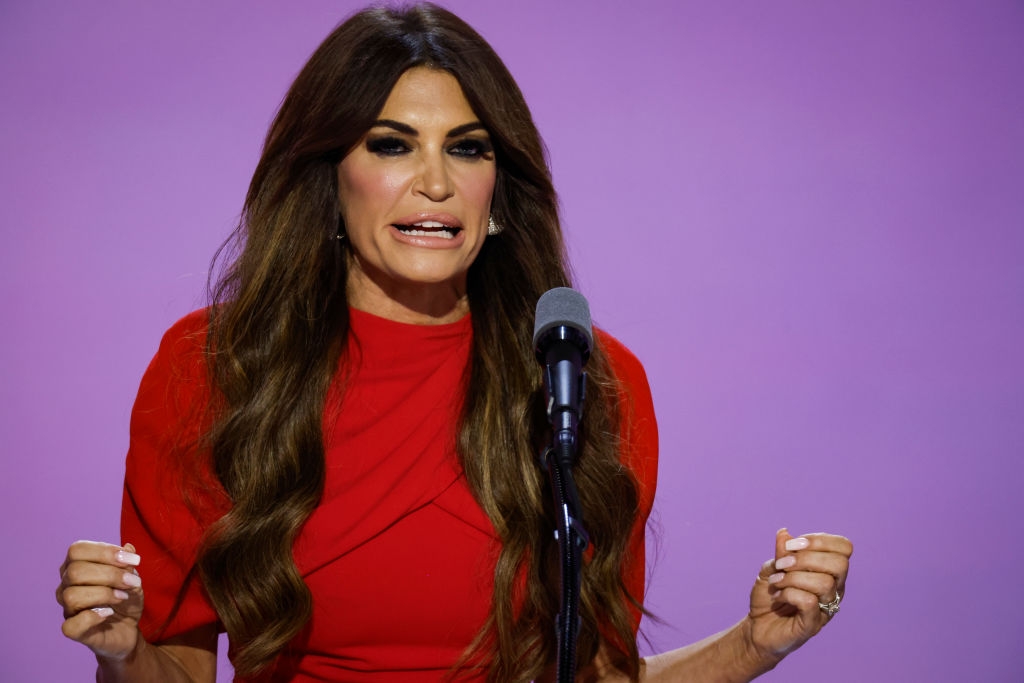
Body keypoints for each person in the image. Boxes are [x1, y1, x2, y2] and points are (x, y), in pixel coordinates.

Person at [56, 4, 853, 682]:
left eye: (468, 148)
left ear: (497, 186)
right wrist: (122, 650)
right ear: (329, 175)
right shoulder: (213, 370)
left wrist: (753, 645)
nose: (435, 181)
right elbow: (175, 668)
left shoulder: (582, 376)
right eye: (391, 144)